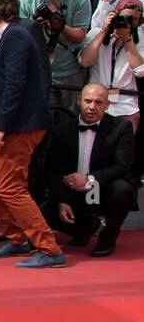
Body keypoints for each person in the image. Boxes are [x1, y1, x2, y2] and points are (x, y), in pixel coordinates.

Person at [0, 0, 64, 268]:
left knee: (10, 187)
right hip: (9, 124)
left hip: (20, 125)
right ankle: (17, 238)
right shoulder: (4, 37)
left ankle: (49, 248)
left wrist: (0, 127)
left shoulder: (15, 35)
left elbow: (15, 84)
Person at [38, 82, 137, 258]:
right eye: (88, 101)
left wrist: (89, 178)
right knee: (45, 210)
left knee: (122, 189)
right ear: (79, 101)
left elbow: (123, 167)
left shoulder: (121, 128)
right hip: (72, 192)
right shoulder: (61, 130)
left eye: (99, 103)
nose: (92, 107)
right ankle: (85, 229)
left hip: (101, 190)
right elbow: (53, 170)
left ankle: (108, 238)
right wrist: (61, 201)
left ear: (107, 105)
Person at [19, 0, 91, 113]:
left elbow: (80, 35)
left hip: (70, 71)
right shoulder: (26, 0)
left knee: (71, 120)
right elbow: (21, 39)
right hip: (39, 71)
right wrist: (36, 27)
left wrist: (59, 24)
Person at [78, 0, 142, 133]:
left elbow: (140, 71)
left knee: (123, 149)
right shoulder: (96, 33)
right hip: (95, 101)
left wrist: (128, 41)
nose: (128, 22)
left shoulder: (140, 40)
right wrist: (104, 31)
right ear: (115, 15)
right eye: (125, 17)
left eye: (134, 19)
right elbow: (84, 61)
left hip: (126, 105)